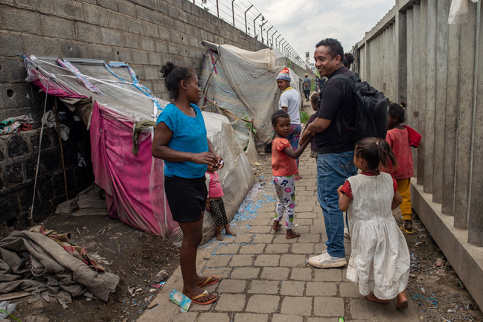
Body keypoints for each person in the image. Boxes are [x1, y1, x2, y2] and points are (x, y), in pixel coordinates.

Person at [152, 62, 221, 305]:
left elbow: (203, 138)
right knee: (191, 238)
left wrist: (212, 155)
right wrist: (193, 157)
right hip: (180, 184)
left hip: (196, 180)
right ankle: (189, 287)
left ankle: (194, 276)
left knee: (196, 236)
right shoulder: (169, 115)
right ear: (183, 85)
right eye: (196, 83)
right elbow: (157, 149)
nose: (199, 88)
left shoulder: (195, 110)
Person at [300, 38, 358, 269]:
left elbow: (322, 123)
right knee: (346, 197)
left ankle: (335, 253)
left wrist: (308, 129)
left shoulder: (333, 85)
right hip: (348, 150)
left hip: (333, 153)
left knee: (330, 202)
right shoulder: (350, 78)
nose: (317, 64)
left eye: (322, 59)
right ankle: (347, 230)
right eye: (315, 59)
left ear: (337, 58)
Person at [337, 137, 410, 310]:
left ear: (360, 161)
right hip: (387, 226)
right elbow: (398, 200)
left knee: (370, 261)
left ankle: (376, 295)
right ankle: (400, 293)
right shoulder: (388, 179)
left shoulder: (352, 183)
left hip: (365, 231)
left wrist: (340, 192)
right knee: (390, 259)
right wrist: (383, 212)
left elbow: (342, 207)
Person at [271, 110, 310, 239]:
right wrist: (307, 141)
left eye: (288, 125)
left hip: (277, 177)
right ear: (274, 127)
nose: (286, 128)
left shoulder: (275, 140)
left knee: (281, 201)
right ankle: (289, 231)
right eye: (282, 126)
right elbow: (294, 155)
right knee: (290, 204)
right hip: (286, 178)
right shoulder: (283, 142)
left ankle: (276, 223)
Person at [385, 102, 421, 234]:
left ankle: (385, 217)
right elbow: (417, 139)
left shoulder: (389, 134)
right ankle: (407, 221)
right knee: (405, 195)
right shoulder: (406, 130)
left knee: (389, 194)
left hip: (391, 170)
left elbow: (385, 150)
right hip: (406, 169)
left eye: (386, 117)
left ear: (394, 118)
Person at [277, 68, 302, 181]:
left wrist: (280, 127)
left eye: (281, 82)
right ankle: (295, 174)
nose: (279, 84)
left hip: (288, 126)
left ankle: (284, 172)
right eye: (278, 82)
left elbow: (283, 113)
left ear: (287, 82)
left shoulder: (284, 95)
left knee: (283, 149)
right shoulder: (295, 93)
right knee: (294, 149)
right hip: (297, 125)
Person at [205, 162, 236, 241]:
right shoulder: (207, 175)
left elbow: (221, 164)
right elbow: (206, 189)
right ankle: (218, 233)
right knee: (219, 216)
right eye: (210, 165)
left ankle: (227, 230)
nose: (214, 166)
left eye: (215, 164)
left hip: (219, 199)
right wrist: (207, 202)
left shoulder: (215, 173)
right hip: (212, 201)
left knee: (224, 215)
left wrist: (220, 162)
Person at [304, 92, 319, 159]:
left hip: (316, 146)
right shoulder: (328, 117)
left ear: (315, 105)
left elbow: (306, 131)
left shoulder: (313, 117)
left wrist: (302, 141)